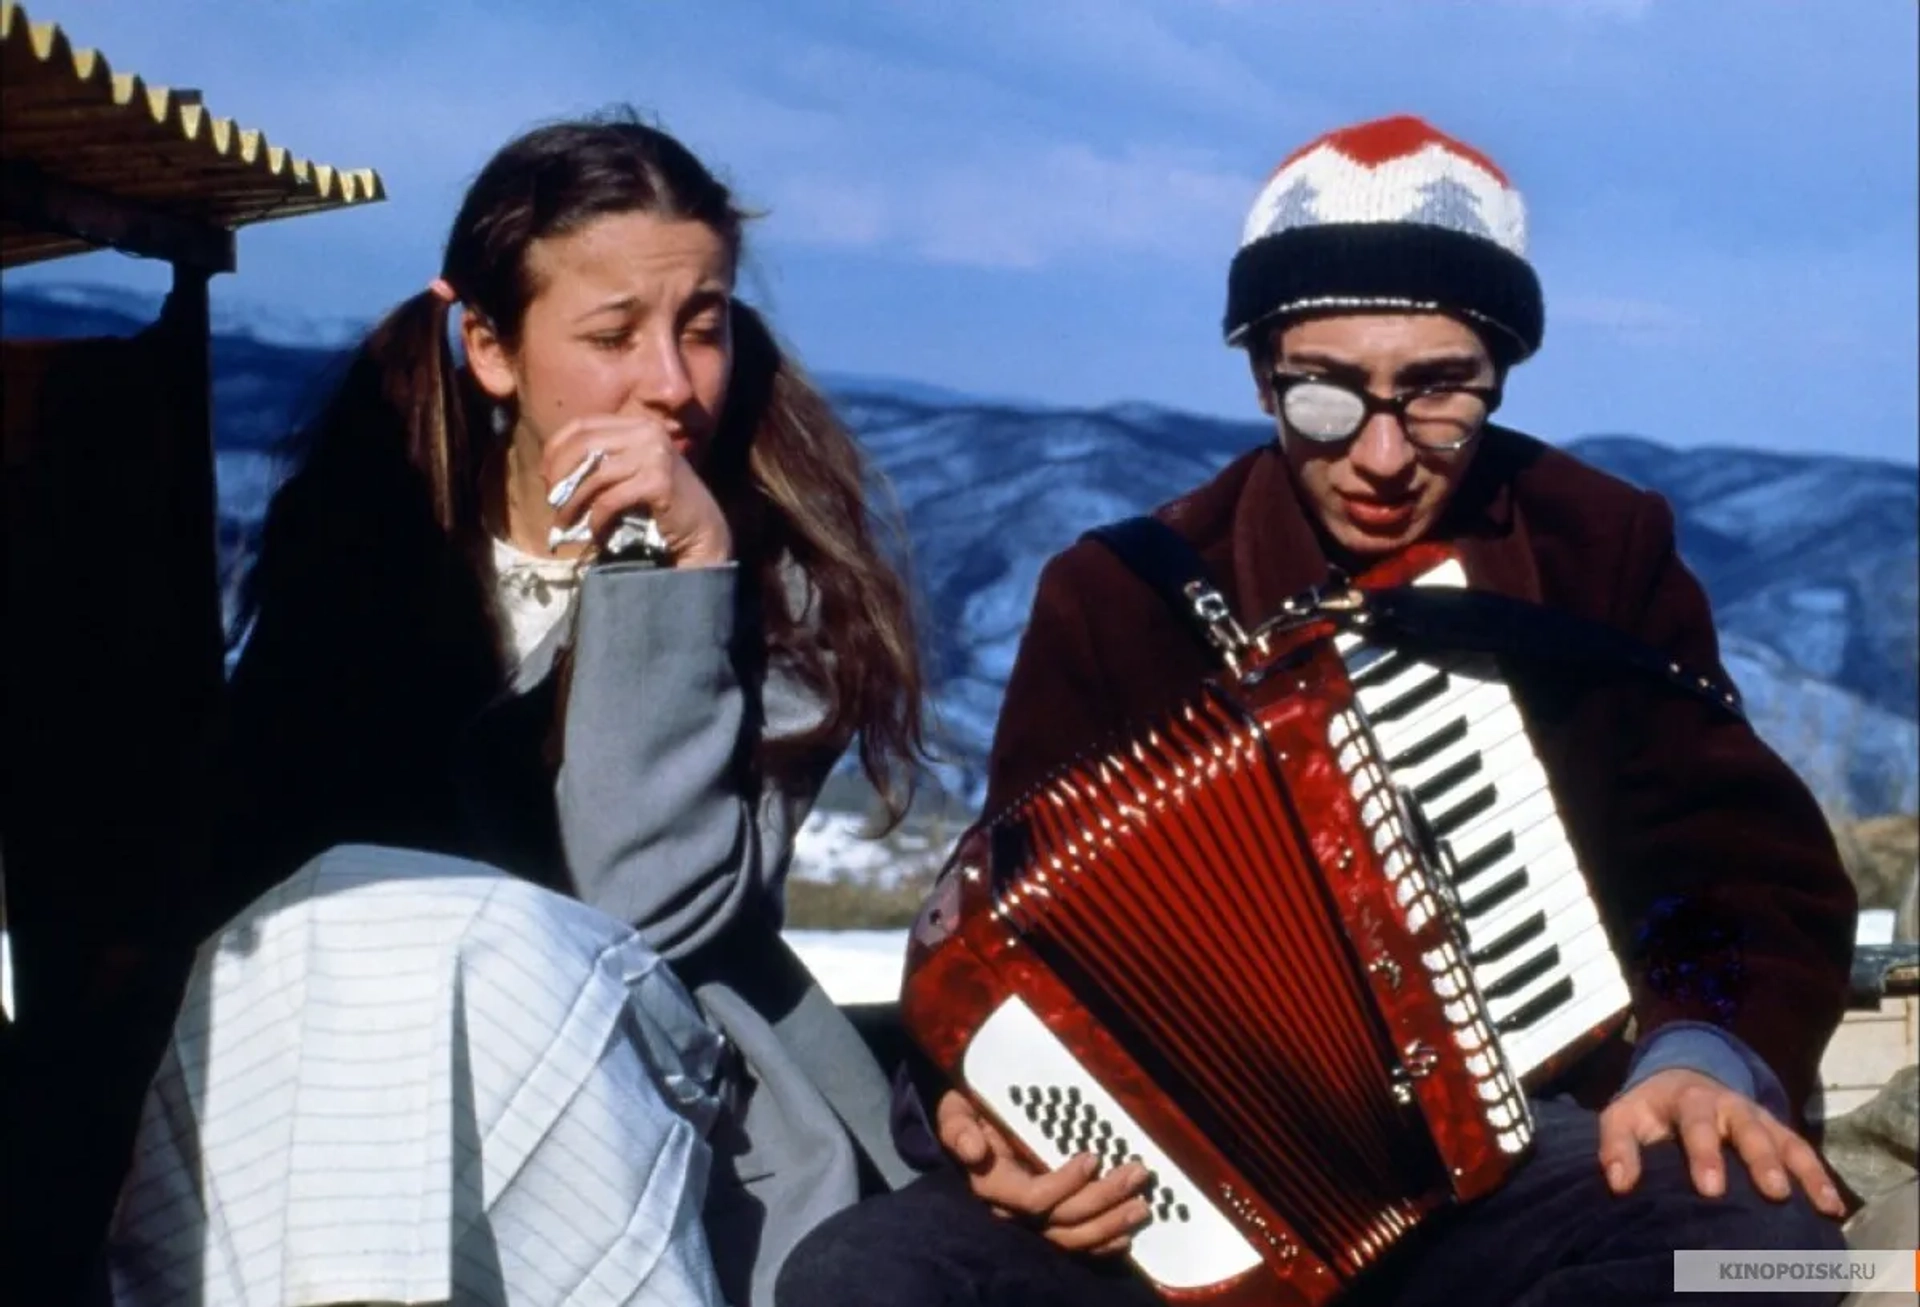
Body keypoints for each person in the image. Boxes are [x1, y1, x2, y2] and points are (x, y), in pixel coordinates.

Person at [777, 114, 1860, 1307]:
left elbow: (1734, 874)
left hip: (1532, 1159)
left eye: (1440, 393)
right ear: (1261, 376)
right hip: (1177, 1197)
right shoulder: (1119, 596)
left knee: (1775, 1251)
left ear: (1499, 370)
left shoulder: (1597, 545)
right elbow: (1004, 947)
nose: (1385, 453)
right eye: (1328, 398)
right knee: (866, 1273)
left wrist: (1696, 1053)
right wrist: (990, 1126)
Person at [158, 110, 932, 1306]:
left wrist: (674, 583)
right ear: (490, 344)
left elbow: (640, 912)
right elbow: (274, 876)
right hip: (364, 1098)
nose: (672, 386)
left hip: (667, 1092)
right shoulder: (371, 552)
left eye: (704, 327)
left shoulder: (774, 590)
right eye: (615, 335)